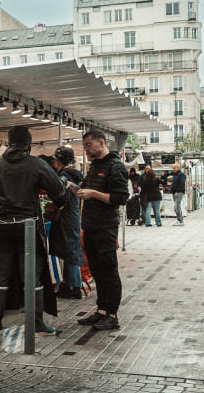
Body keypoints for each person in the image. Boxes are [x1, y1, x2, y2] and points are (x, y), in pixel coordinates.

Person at [0, 126, 75, 336]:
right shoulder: (37, 164)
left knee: (0, 273)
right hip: (28, 226)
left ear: (9, 143)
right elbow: (58, 193)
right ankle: (37, 324)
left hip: (2, 226)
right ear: (28, 144)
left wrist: (2, 203)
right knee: (32, 274)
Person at [76, 130, 130, 331]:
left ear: (101, 142)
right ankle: (101, 311)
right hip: (90, 226)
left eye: (89, 145)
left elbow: (120, 198)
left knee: (108, 271)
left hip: (105, 227)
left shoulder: (115, 166)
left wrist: (93, 193)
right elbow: (88, 191)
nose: (86, 149)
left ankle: (112, 315)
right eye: (85, 146)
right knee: (97, 271)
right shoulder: (95, 166)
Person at [48, 147, 85, 300]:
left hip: (67, 217)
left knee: (70, 252)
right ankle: (71, 285)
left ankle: (74, 287)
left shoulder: (64, 176)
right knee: (70, 250)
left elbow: (61, 197)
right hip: (72, 216)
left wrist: (52, 203)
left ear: (59, 161)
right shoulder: (73, 174)